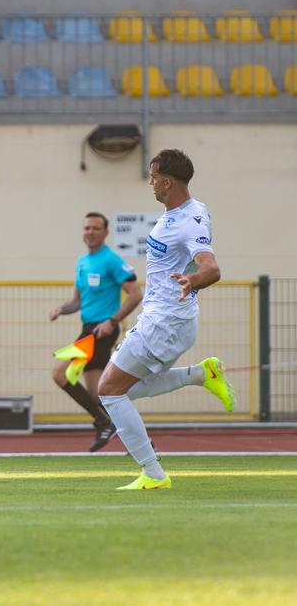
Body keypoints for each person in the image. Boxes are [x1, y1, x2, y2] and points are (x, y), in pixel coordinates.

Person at [98, 149, 235, 490]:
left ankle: (153, 473)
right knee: (124, 389)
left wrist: (194, 279)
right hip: (169, 320)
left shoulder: (188, 221)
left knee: (109, 391)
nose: (151, 182)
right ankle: (201, 374)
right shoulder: (192, 210)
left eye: (154, 176)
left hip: (165, 322)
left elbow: (211, 268)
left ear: (168, 182)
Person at [49, 212, 142, 452]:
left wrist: (112, 320)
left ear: (105, 232)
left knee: (60, 373)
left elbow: (136, 294)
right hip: (88, 328)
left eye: (95, 228)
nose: (90, 232)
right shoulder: (82, 262)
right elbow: (77, 302)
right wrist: (61, 309)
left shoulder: (111, 260)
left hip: (102, 330)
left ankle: (103, 422)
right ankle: (139, 440)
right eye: (87, 228)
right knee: (99, 393)